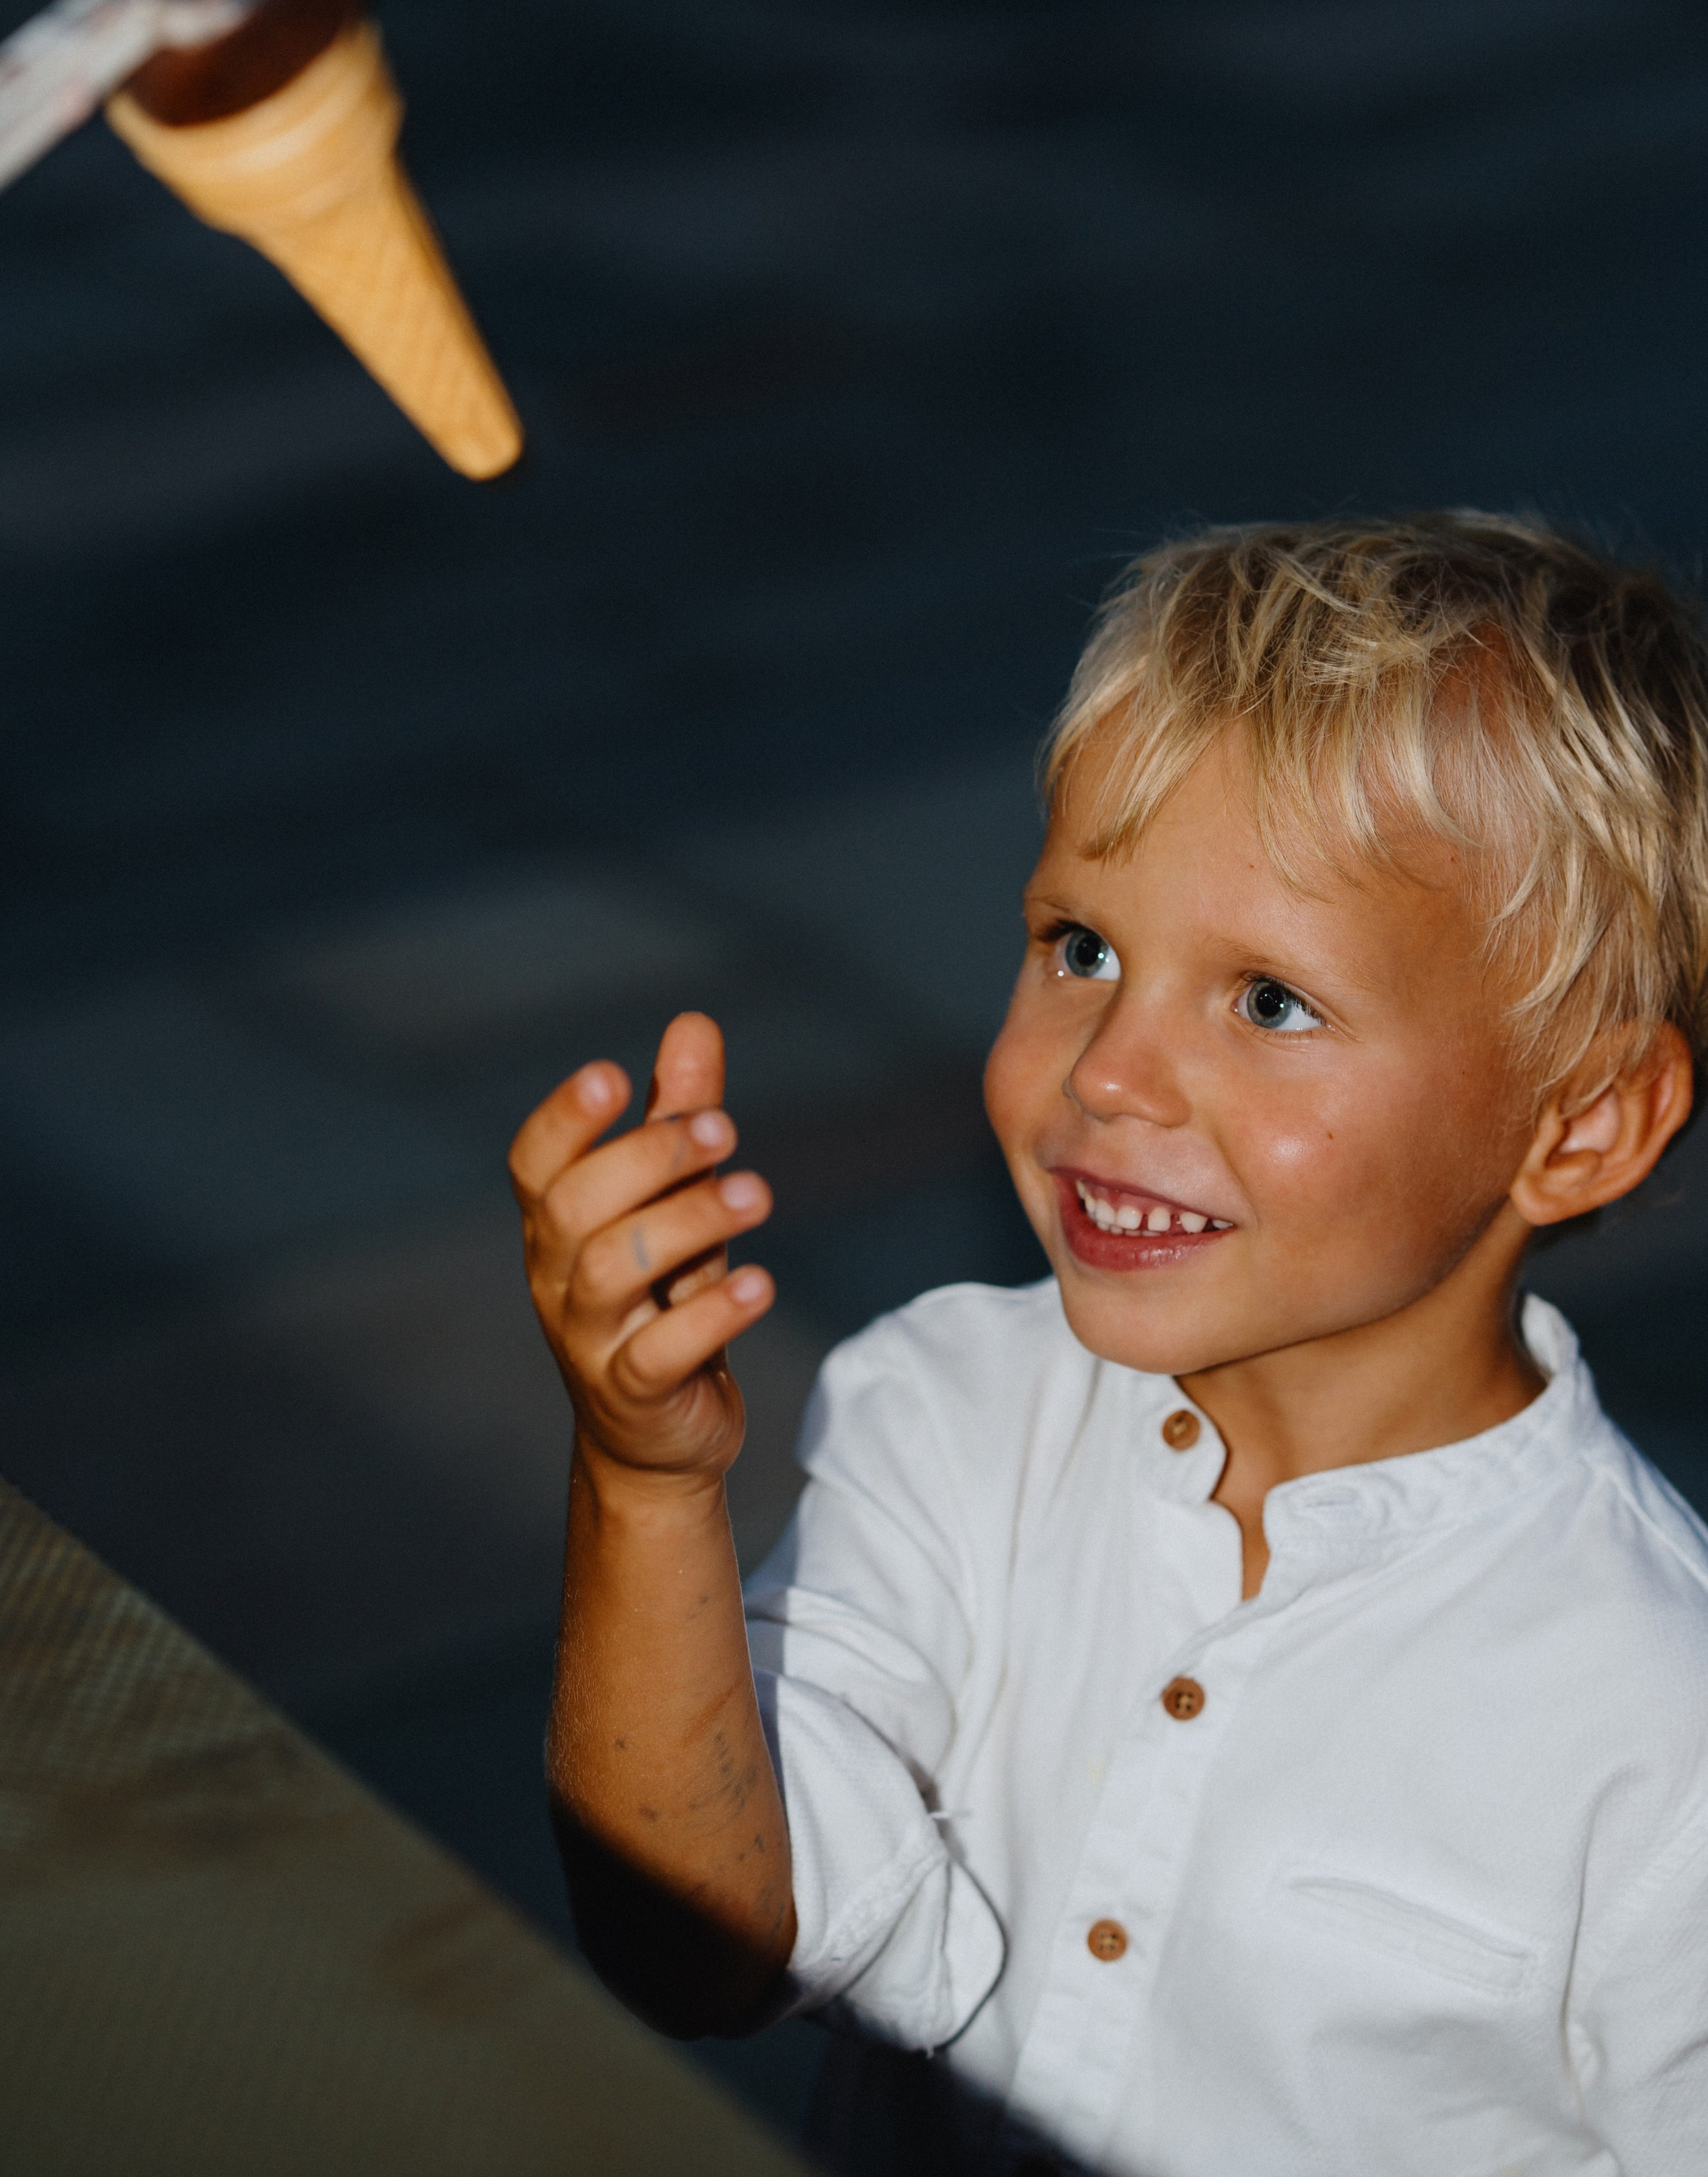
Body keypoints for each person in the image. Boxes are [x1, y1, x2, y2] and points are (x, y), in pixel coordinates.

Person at [511, 514, 1708, 2175]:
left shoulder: (1655, 1728)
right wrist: (645, 1490)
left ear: (1580, 1124)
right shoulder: (935, 1416)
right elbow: (700, 1946)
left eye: (1268, 1001)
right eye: (1080, 949)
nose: (1108, 1077)